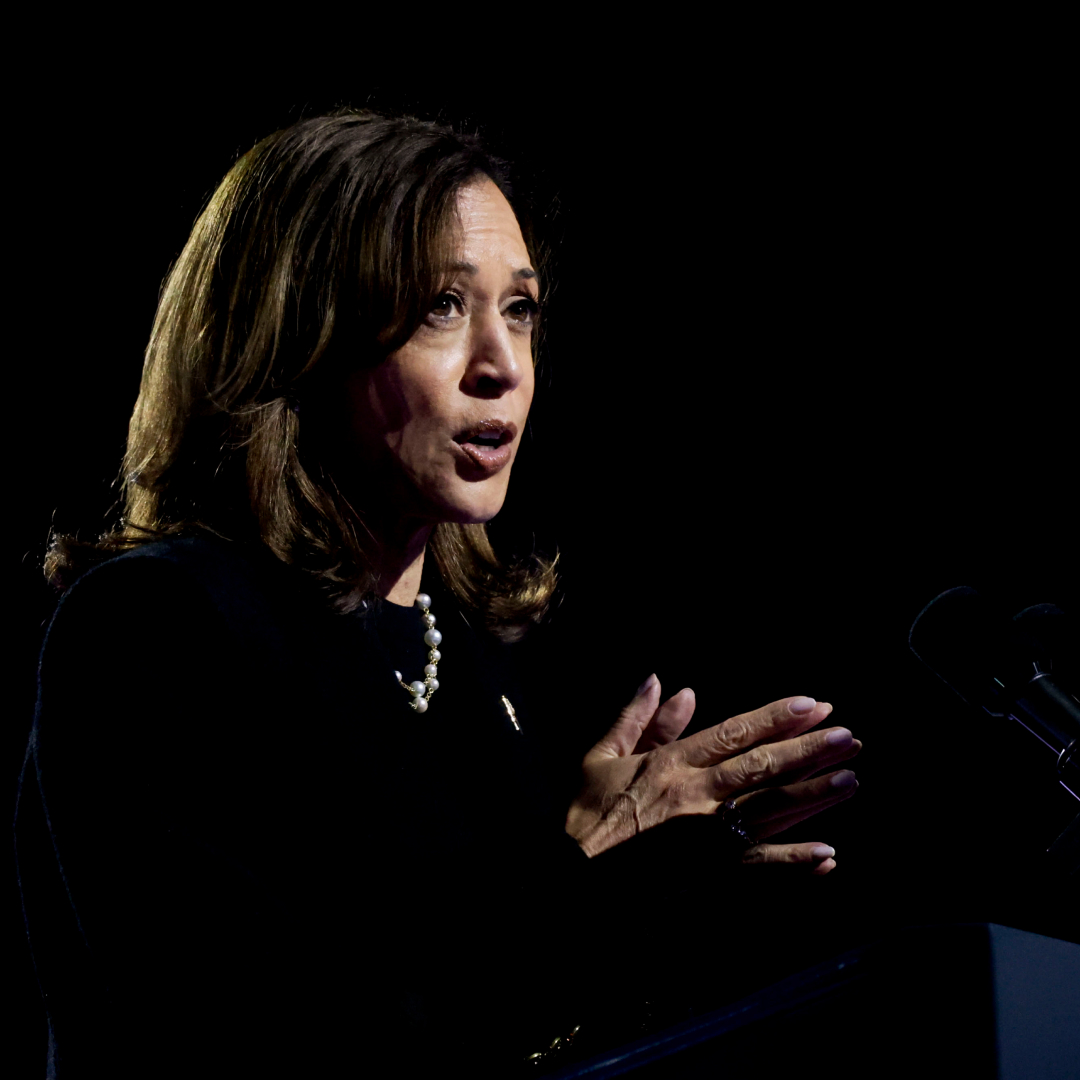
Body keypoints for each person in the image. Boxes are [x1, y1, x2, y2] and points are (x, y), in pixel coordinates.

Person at [15, 110, 861, 1076]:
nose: (501, 366)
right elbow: (259, 1037)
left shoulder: (481, 666)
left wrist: (659, 903)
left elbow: (517, 1015)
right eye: (440, 308)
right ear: (298, 333)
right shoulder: (160, 627)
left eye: (521, 310)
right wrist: (587, 878)